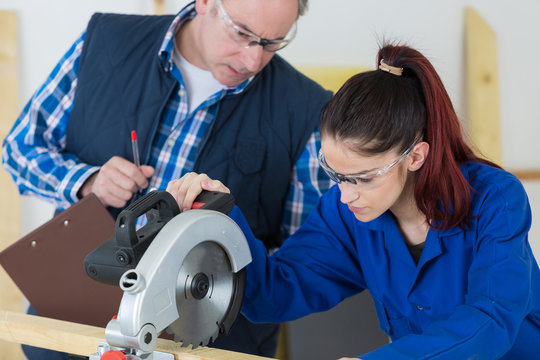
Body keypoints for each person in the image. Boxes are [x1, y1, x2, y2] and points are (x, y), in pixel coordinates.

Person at [1, 0, 332, 359]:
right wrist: (87, 181)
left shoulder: (308, 110)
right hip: (72, 333)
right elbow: (19, 148)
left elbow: (302, 258)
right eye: (241, 34)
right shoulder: (105, 42)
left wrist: (218, 253)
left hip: (204, 346)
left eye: (272, 43)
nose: (252, 61)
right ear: (206, 3)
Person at [167, 43, 540, 359]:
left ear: (415, 157)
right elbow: (274, 293)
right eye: (335, 174)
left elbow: (491, 319)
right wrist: (223, 219)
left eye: (362, 178)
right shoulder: (346, 211)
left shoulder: (495, 199)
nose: (345, 195)